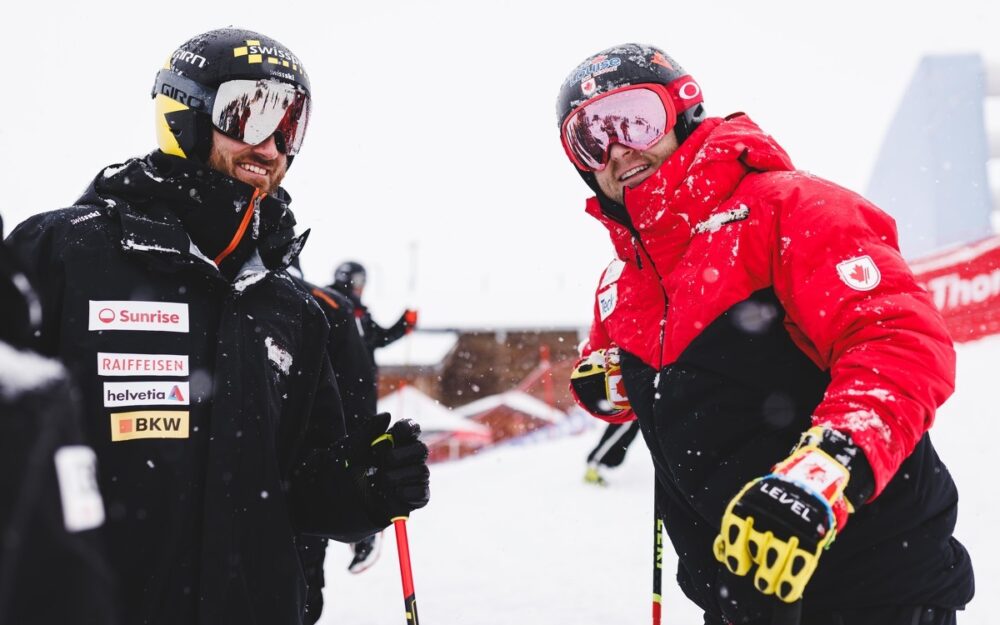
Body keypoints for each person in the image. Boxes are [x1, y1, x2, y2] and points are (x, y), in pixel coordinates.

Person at [5, 27, 430, 625]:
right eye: (250, 114)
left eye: (291, 125)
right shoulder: (62, 253)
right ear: (185, 113)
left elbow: (298, 489)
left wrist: (361, 485)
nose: (273, 144)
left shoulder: (291, 309)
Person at [555, 43, 974, 625]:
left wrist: (823, 473)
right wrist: (608, 384)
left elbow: (897, 345)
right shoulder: (623, 277)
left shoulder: (792, 208)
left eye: (635, 118)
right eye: (590, 137)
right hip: (739, 592)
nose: (619, 148)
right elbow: (620, 366)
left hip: (871, 585)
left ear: (682, 109)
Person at [0, 215, 118, 625]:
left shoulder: (296, 305)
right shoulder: (63, 244)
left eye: (291, 143)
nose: (270, 149)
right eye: (247, 141)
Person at [329, 260, 417, 571]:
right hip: (342, 395)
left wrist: (404, 325)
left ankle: (363, 534)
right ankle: (357, 529)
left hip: (362, 396)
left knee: (363, 457)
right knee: (350, 459)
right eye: (358, 280)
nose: (360, 285)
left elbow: (377, 339)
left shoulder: (360, 313)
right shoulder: (332, 304)